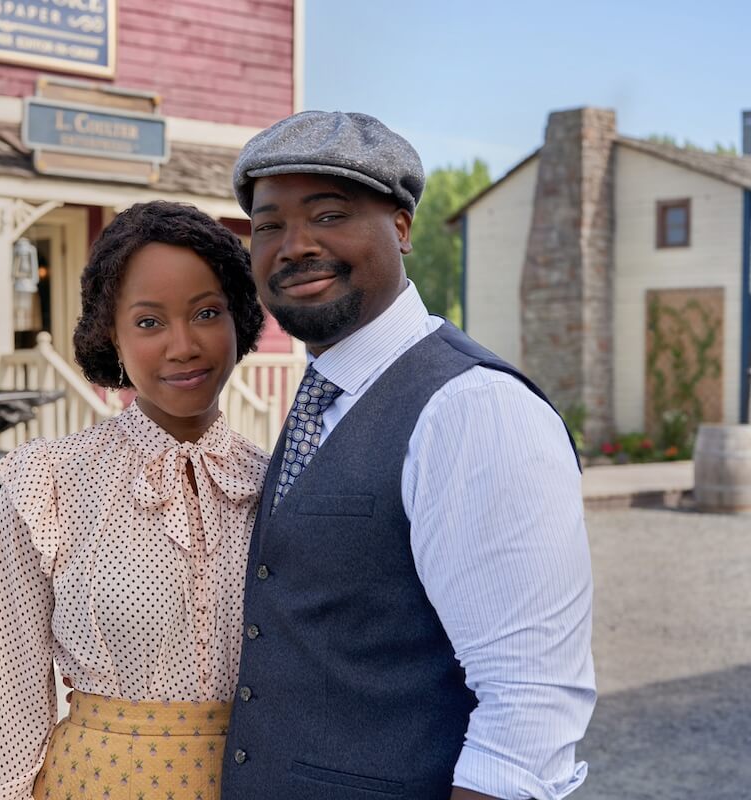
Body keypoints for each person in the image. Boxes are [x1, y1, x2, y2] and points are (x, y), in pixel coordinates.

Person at [220, 111, 596, 800]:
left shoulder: (473, 409)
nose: (293, 245)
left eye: (329, 214)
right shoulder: (325, 395)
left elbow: (530, 708)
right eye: (269, 225)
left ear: (400, 226)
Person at [0, 201, 269, 800]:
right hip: (98, 783)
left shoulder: (274, 484)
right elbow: (8, 693)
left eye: (207, 312)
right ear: (112, 334)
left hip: (253, 781)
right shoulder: (49, 483)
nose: (184, 345)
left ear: (239, 318)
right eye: (150, 322)